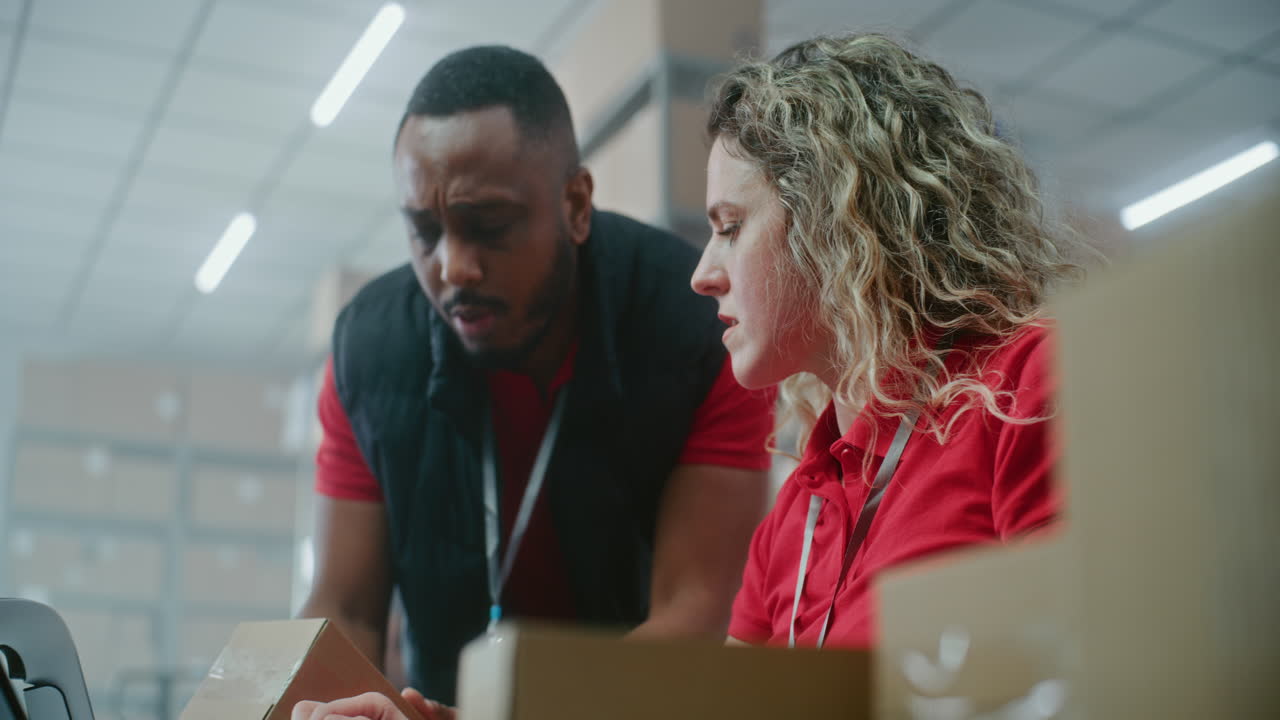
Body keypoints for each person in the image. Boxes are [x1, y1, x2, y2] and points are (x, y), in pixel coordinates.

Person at [292, 30, 1089, 720]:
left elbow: (1101, 677)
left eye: (731, 229)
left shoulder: (1029, 390)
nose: (704, 273)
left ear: (841, 224)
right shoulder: (806, 502)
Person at [297, 45, 774, 707]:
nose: (453, 267)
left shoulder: (696, 326)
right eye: (423, 232)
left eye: (488, 226)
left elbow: (695, 613)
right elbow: (344, 611)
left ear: (576, 205)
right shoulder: (368, 350)